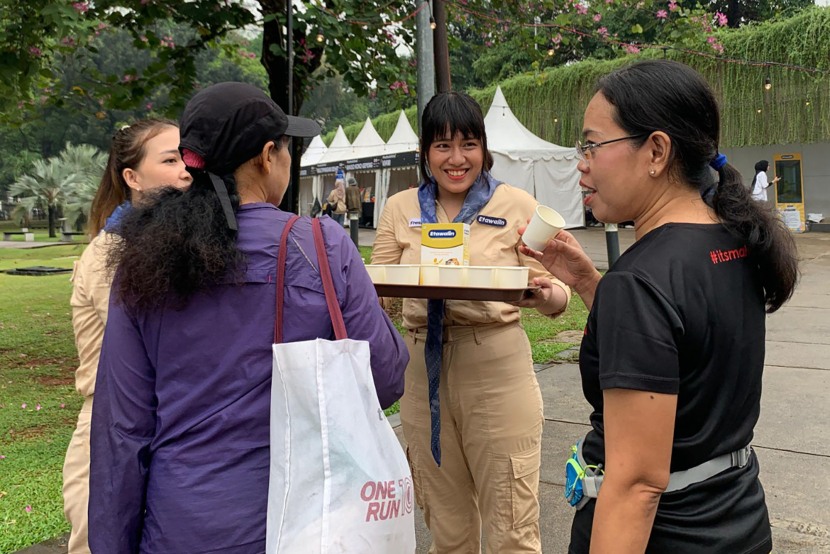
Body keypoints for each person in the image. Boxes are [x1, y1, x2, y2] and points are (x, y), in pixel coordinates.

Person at [87, 82, 408, 553]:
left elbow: (122, 428)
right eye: (286, 149)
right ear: (266, 156)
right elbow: (384, 378)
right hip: (306, 520)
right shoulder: (320, 246)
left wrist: (112, 545)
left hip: (182, 523)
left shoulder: (144, 263)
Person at [520, 60, 798, 554]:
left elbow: (636, 486)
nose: (580, 163)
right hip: (736, 519)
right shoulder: (734, 240)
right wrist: (589, 283)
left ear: (655, 150)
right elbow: (685, 354)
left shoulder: (642, 280)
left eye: (591, 145)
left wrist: (618, 289)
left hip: (667, 534)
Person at [372, 91, 571, 553]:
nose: (456, 158)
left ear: (484, 147)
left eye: (468, 144)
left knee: (512, 525)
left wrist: (545, 295)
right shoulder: (400, 209)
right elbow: (377, 290)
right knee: (447, 526)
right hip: (422, 372)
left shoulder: (517, 204)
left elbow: (557, 294)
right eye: (442, 146)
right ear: (425, 152)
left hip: (496, 368)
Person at [64, 119, 191, 554]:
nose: (186, 170)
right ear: (132, 178)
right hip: (110, 437)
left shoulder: (174, 245)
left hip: (167, 434)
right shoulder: (108, 254)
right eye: (170, 159)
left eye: (189, 157)